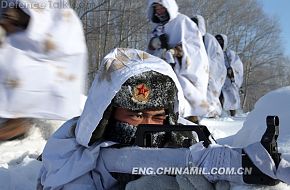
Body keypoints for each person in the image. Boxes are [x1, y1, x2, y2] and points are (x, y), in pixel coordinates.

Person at [39, 48, 289, 189]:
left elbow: (205, 156)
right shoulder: (76, 152)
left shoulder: (181, 133)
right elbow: (125, 160)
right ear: (106, 114)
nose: (149, 125)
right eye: (136, 115)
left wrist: (240, 165)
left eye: (157, 116)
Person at [0, 0, 87, 140]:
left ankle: (16, 120)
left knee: (17, 62)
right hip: (29, 22)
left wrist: (13, 17)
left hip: (48, 27)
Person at [146, 0, 210, 124]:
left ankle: (191, 125)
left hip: (182, 71)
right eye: (156, 9)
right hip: (163, 69)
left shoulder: (182, 22)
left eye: (162, 8)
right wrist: (155, 43)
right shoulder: (158, 27)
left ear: (168, 7)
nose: (159, 11)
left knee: (185, 99)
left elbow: (194, 47)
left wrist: (176, 52)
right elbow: (150, 50)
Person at [191, 15, 227, 118]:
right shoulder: (189, 39)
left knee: (210, 94)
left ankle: (212, 113)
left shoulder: (209, 39)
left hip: (211, 73)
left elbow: (216, 59)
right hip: (195, 72)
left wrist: (205, 68)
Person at [215, 34, 243, 116]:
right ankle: (217, 114)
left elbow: (238, 66)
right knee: (217, 98)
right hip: (217, 81)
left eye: (220, 41)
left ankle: (232, 116)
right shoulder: (213, 53)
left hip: (228, 82)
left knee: (231, 99)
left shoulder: (230, 54)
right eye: (217, 41)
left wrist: (232, 71)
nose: (219, 43)